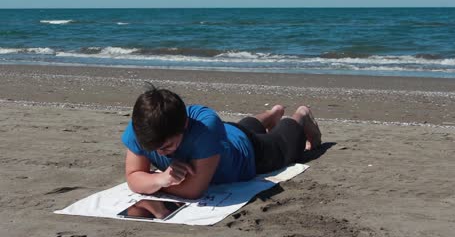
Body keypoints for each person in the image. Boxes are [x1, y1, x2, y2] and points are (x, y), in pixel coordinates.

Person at [121, 86, 321, 199]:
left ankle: (301, 116)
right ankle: (272, 113)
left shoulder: (206, 127)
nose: (161, 154)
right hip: (225, 137)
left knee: (282, 145)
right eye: (152, 148)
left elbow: (193, 190)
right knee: (246, 126)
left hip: (247, 152)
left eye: (166, 146)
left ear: (184, 125)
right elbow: (133, 177)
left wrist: (153, 182)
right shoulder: (141, 128)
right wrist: (159, 179)